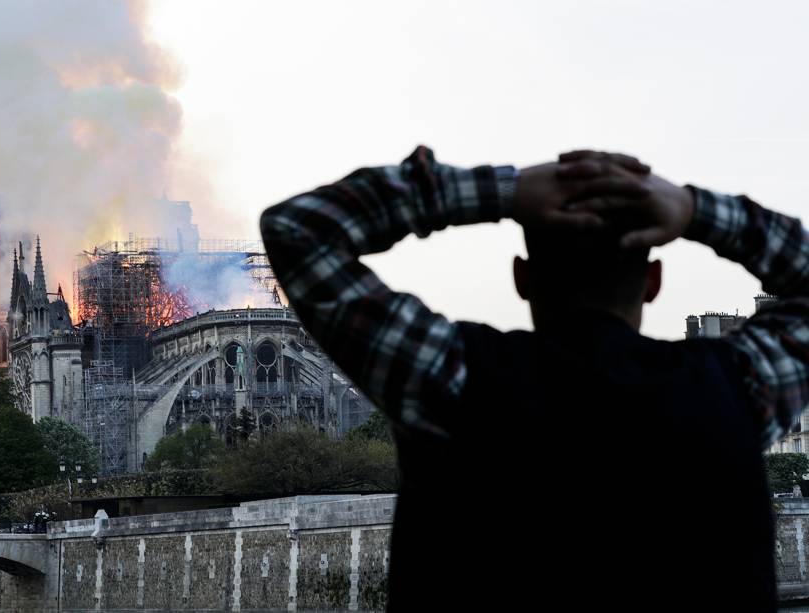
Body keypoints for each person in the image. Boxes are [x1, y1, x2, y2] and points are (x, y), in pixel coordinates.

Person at [260, 147, 809, 611]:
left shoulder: (449, 376)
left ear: (521, 277)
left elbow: (299, 228)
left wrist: (505, 191)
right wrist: (694, 209)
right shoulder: (739, 389)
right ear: (654, 282)